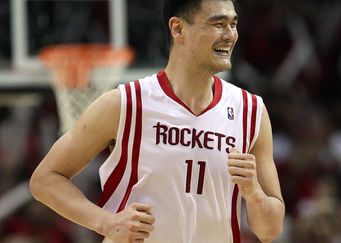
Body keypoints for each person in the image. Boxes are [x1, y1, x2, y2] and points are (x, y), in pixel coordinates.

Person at [29, 0, 285, 242]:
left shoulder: (251, 112)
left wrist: (254, 193)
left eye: (234, 24)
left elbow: (270, 231)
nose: (230, 34)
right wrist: (107, 223)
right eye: (218, 24)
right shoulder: (125, 103)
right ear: (178, 28)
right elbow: (45, 179)